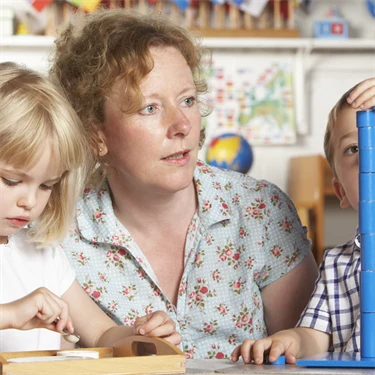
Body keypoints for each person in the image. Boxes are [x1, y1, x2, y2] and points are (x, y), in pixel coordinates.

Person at [51, 9, 318, 359]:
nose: (181, 125)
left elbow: (313, 348)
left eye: (187, 100)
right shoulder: (60, 230)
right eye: (149, 108)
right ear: (95, 133)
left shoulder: (260, 210)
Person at [0, 62, 181, 352]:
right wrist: (8, 315)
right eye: (11, 181)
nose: (30, 202)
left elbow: (100, 334)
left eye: (46, 186)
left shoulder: (42, 254)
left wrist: (142, 337)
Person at [231, 77, 375, 364]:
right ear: (341, 192)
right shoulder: (337, 264)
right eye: (354, 149)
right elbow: (314, 336)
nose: (370, 153)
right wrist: (290, 340)